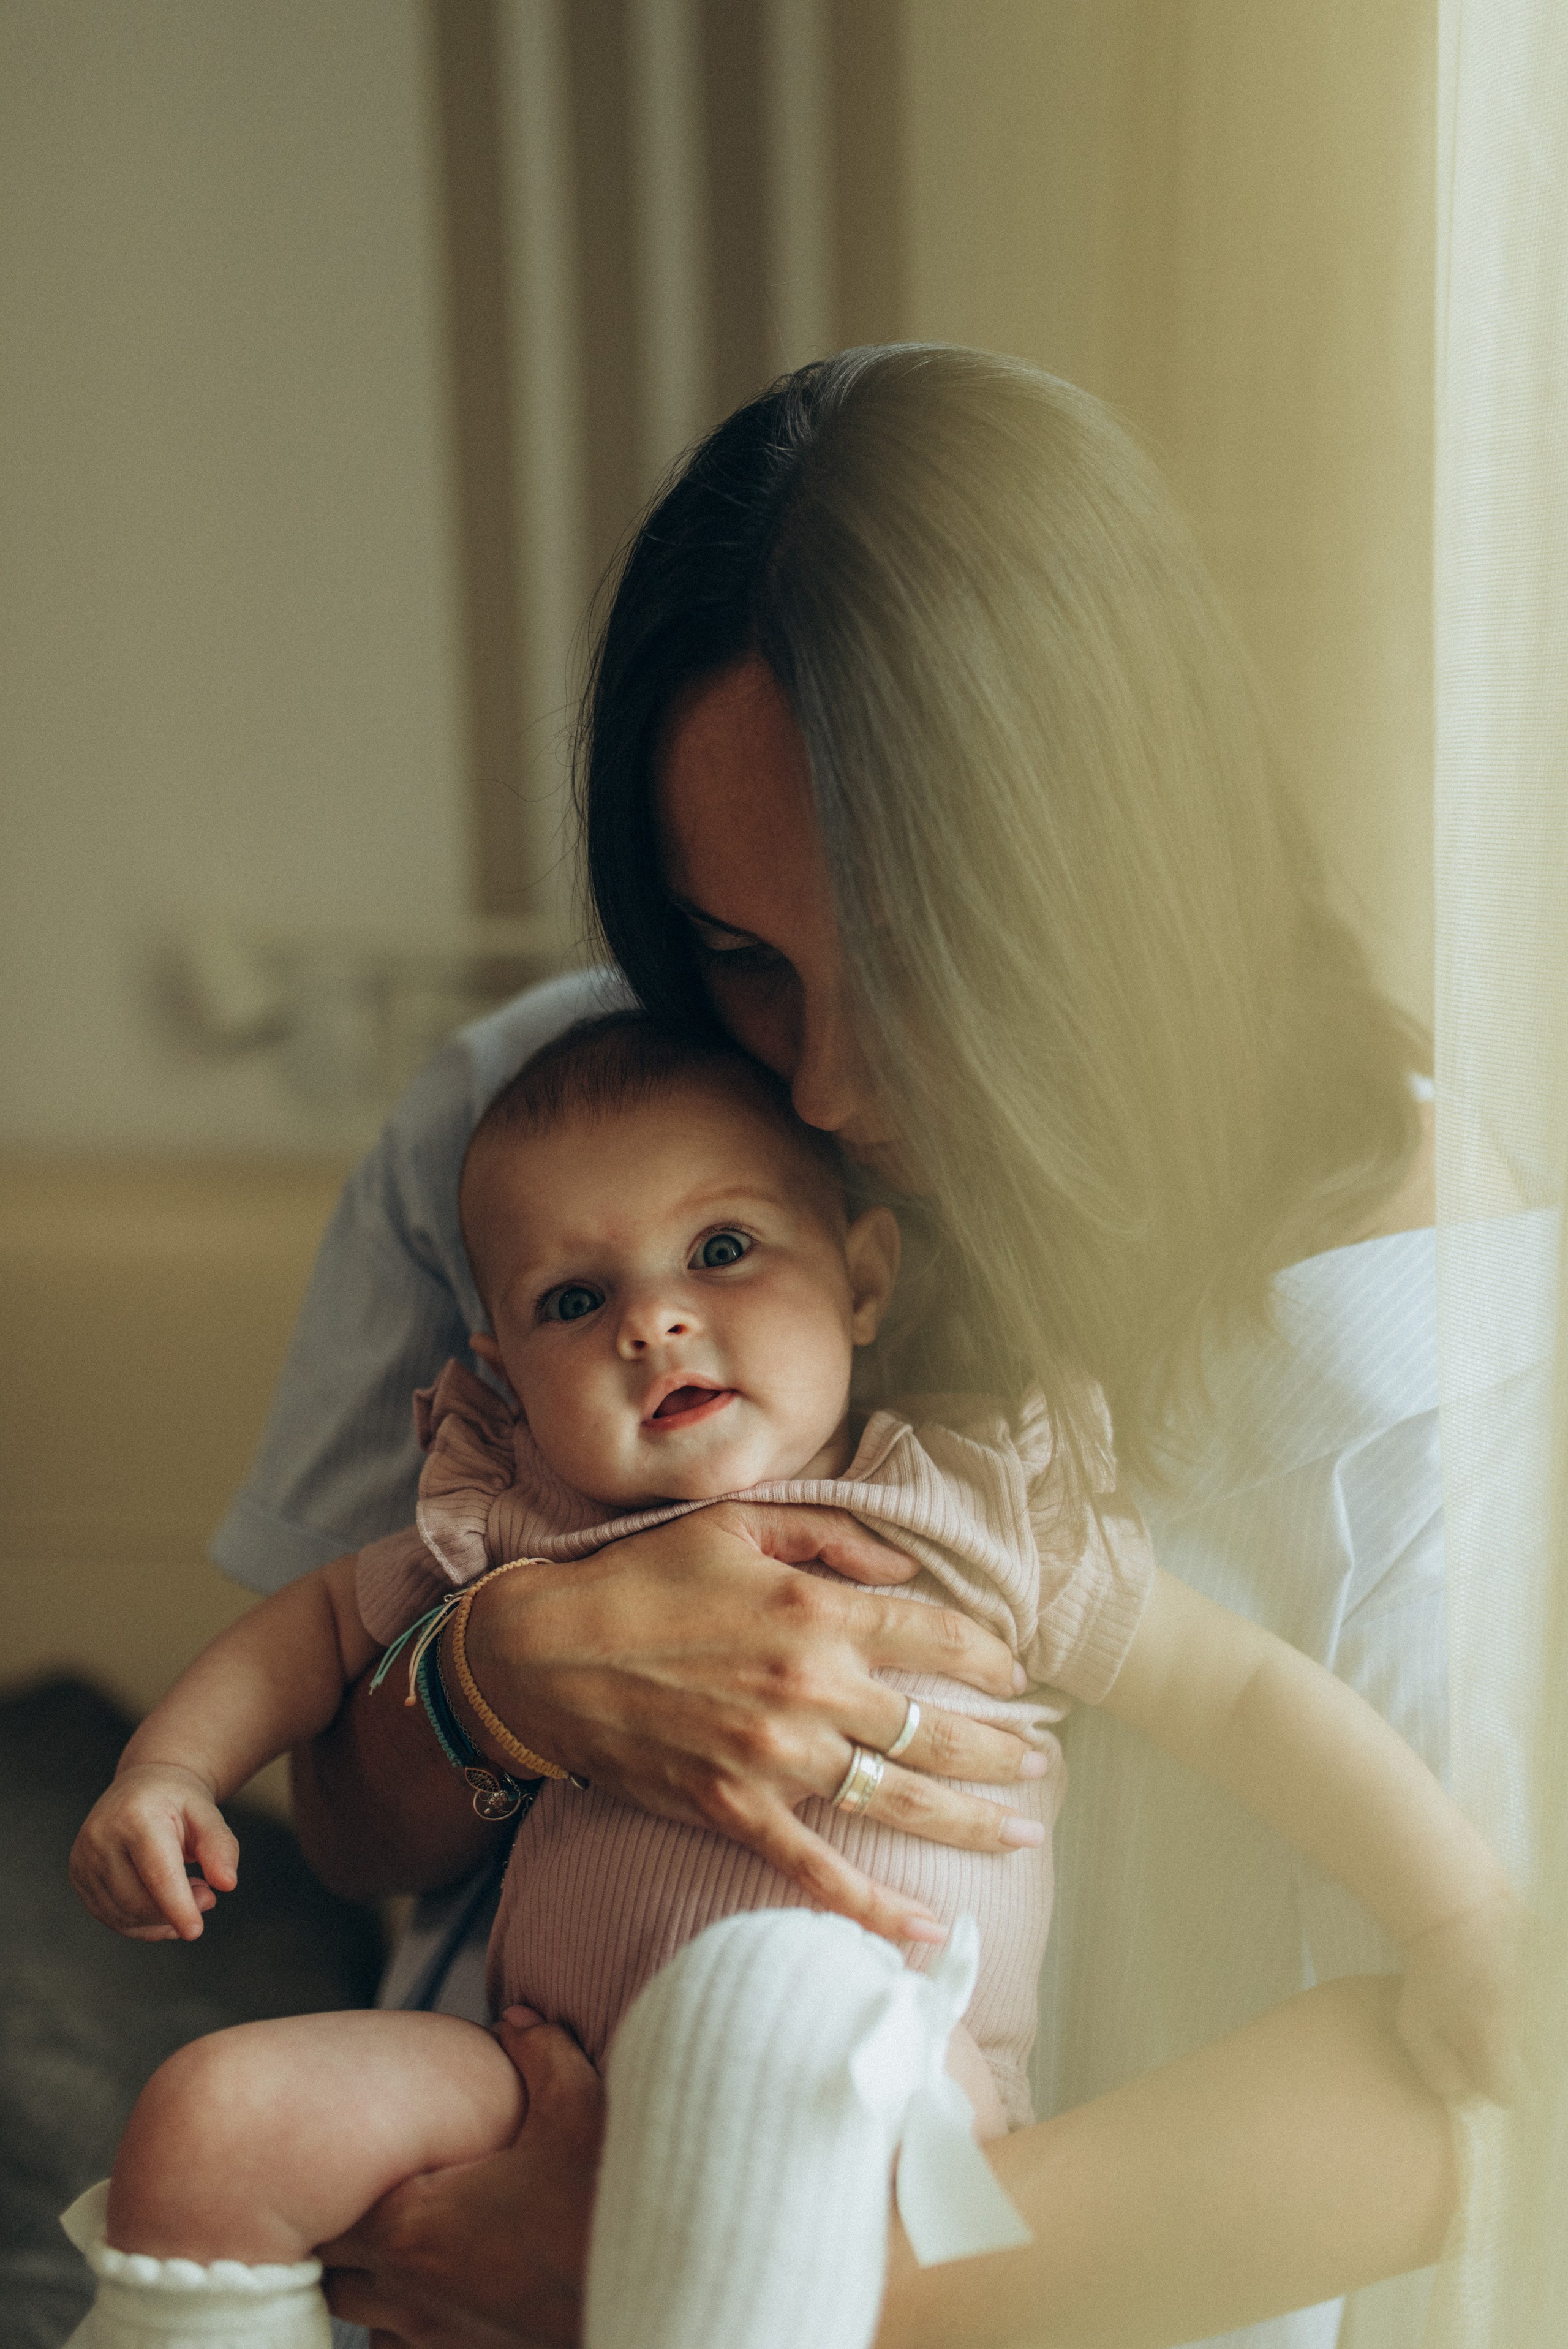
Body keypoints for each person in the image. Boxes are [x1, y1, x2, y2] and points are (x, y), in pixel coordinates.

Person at [209, 347, 1462, 2347]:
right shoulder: (527, 1140)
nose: (837, 1078)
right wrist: (492, 1674)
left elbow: (1459, 2097)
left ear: (1118, 884)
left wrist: (698, 2263)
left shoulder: (1426, 1345)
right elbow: (349, 1829)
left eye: (919, 960)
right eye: (742, 954)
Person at [66, 1011, 1509, 2349]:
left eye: (722, 1250)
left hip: (871, 2088)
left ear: (865, 1280)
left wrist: (1456, 1914)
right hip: (538, 2077)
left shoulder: (973, 1507)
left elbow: (1244, 1699)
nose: (654, 1322)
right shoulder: (521, 1519)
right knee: (213, 2114)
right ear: (500, 1370)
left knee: (764, 1996)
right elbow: (319, 1632)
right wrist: (172, 1772)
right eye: (576, 1297)